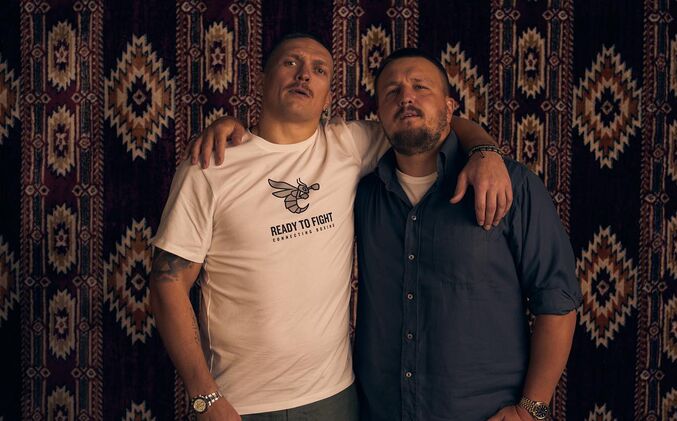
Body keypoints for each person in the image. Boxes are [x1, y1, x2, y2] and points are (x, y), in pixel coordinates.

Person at [150, 33, 512, 421]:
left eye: (319, 70)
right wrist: (205, 397)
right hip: (239, 402)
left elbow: (434, 120)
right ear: (261, 80)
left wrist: (486, 151)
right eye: (291, 62)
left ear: (328, 98)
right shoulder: (211, 165)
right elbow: (167, 284)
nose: (304, 74)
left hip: (334, 397)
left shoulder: (348, 146)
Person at [352, 48, 582, 421]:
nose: (406, 97)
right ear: (378, 114)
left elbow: (557, 301)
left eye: (420, 87)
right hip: (381, 411)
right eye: (391, 91)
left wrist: (531, 409)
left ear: (450, 107)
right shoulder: (361, 193)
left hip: (482, 412)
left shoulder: (513, 185)